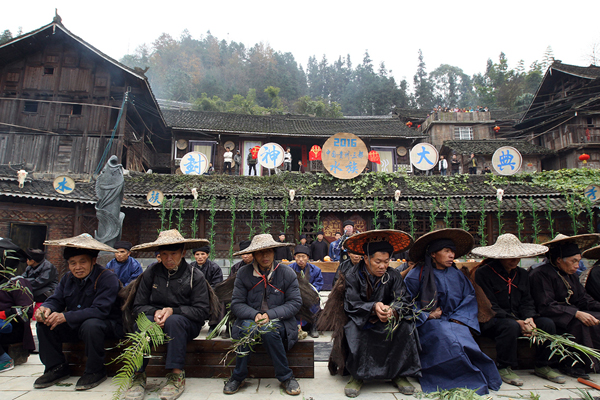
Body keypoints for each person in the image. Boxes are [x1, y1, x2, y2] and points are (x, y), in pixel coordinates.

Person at [320, 229, 421, 397]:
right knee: (352, 329)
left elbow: (404, 299)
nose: (383, 266)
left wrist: (393, 310)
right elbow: (351, 303)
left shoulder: (393, 275)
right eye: (378, 261)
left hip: (388, 318)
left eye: (386, 261)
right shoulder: (352, 275)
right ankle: (357, 375)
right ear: (366, 259)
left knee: (406, 326)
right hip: (361, 317)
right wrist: (373, 307)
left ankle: (398, 374)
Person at [404, 229, 501, 395]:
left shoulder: (457, 274)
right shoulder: (416, 275)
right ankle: (458, 381)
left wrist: (460, 318)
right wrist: (427, 315)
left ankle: (480, 376)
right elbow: (404, 303)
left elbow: (469, 297)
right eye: (446, 251)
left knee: (464, 340)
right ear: (433, 254)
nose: (451, 255)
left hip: (456, 321)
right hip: (428, 324)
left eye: (453, 251)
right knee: (448, 341)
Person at [126, 230, 211, 400]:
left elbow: (202, 311)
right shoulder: (151, 273)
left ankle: (176, 375)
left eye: (173, 253)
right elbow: (138, 306)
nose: (168, 258)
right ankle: (137, 374)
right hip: (155, 317)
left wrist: (174, 311)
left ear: (183, 253)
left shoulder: (196, 275)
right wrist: (155, 312)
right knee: (143, 324)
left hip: (185, 323)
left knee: (174, 321)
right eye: (164, 254)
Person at [472, 234, 566, 385]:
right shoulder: (483, 273)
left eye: (517, 256)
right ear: (500, 257)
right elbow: (488, 305)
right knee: (510, 326)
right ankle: (504, 367)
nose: (515, 260)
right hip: (493, 319)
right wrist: (517, 321)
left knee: (547, 324)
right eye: (510, 257)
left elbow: (527, 300)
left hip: (519, 317)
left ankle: (543, 365)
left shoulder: (521, 274)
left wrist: (529, 318)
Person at [34, 234, 123, 391]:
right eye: (73, 263)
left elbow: (100, 310)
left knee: (92, 325)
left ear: (93, 261)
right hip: (76, 325)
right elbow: (57, 299)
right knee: (45, 324)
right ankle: (56, 367)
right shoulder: (67, 278)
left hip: (105, 326)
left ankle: (95, 370)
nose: (77, 267)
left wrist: (65, 316)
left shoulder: (107, 278)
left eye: (83, 262)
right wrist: (47, 308)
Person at [223, 234, 302, 396]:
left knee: (268, 329)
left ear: (274, 252)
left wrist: (270, 314)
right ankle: (238, 376)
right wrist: (254, 315)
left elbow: (294, 303)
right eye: (260, 252)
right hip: (250, 320)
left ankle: (286, 376)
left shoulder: (287, 273)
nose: (265, 256)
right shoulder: (243, 274)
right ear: (254, 254)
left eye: (268, 252)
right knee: (247, 330)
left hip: (280, 322)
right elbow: (236, 304)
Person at [529, 233, 600, 378]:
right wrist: (576, 313)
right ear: (559, 260)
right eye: (574, 261)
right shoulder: (540, 274)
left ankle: (595, 363)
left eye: (579, 261)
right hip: (551, 315)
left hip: (568, 312)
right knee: (580, 323)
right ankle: (573, 365)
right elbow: (545, 305)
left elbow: (583, 299)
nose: (577, 266)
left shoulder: (571, 275)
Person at [0, 272, 34, 372]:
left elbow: (26, 311)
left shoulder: (17, 282)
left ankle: (4, 360)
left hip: (13, 327)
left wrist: (3, 314)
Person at [287, 245, 323, 338]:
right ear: (294, 257)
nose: (301, 259)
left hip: (310, 296)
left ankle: (313, 326)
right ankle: (297, 327)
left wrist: (310, 294)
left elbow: (318, 284)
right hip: (295, 295)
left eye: (303, 257)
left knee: (315, 302)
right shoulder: (289, 269)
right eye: (298, 257)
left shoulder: (316, 270)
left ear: (307, 257)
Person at [190, 245, 223, 335]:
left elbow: (217, 284)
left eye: (202, 254)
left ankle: (213, 325)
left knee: (216, 301)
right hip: (194, 295)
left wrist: (205, 293)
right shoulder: (190, 267)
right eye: (197, 254)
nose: (200, 257)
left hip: (211, 295)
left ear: (207, 255)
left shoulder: (214, 267)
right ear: (194, 256)